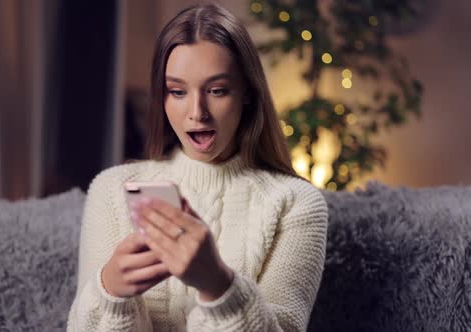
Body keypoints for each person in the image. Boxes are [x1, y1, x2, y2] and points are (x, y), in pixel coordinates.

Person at [67, 3, 328, 331]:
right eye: (177, 91)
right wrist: (111, 291)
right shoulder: (111, 189)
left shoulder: (297, 203)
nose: (197, 112)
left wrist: (218, 285)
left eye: (217, 90)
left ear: (247, 92)